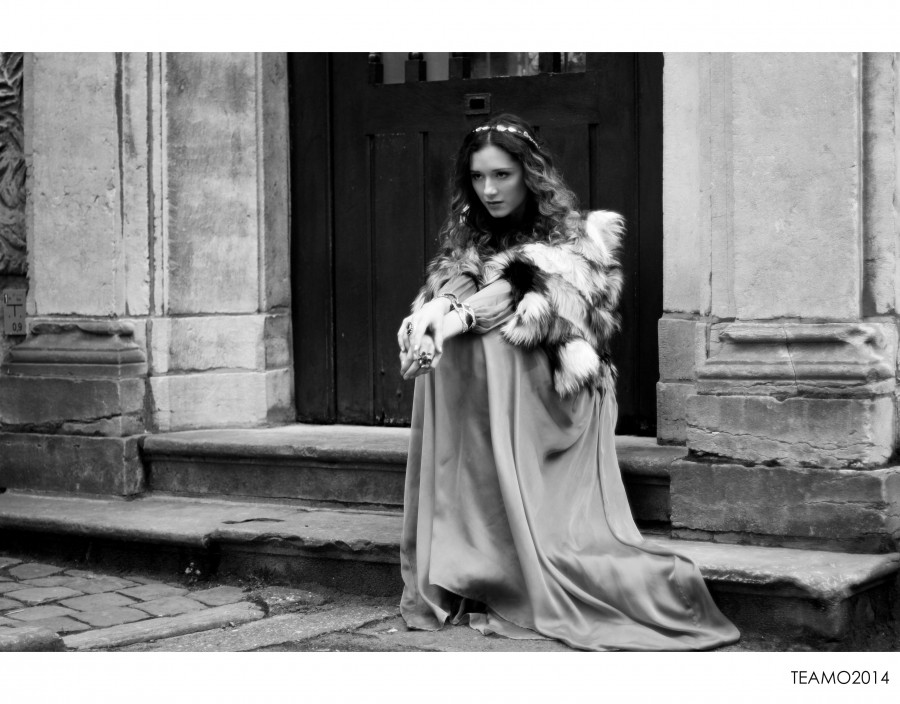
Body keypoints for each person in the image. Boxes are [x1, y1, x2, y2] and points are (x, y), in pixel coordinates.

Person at [396, 114, 740, 651]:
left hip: (563, 397)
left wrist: (458, 317)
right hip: (503, 392)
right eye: (478, 177)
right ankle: (473, 545)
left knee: (487, 344)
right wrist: (429, 316)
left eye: (503, 175)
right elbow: (459, 281)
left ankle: (495, 546)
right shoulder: (471, 235)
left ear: (529, 174)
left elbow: (523, 288)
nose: (489, 189)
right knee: (456, 347)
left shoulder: (576, 236)